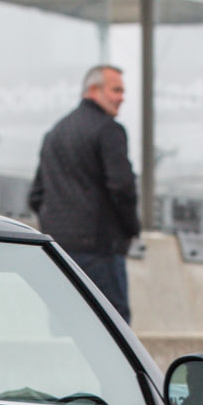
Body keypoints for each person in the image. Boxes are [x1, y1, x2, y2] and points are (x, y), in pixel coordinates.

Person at [29, 65, 142, 320]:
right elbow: (122, 187)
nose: (122, 98)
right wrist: (131, 228)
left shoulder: (55, 133)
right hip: (101, 251)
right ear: (93, 90)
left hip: (60, 252)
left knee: (67, 327)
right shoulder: (109, 130)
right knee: (112, 328)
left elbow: (36, 195)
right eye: (116, 90)